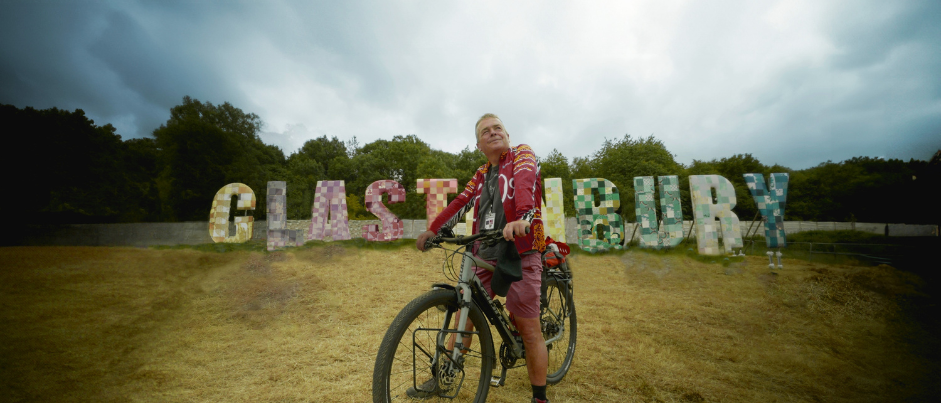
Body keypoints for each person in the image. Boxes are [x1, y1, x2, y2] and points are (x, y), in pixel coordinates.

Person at [414, 113, 550, 403]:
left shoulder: (521, 154)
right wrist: (433, 229)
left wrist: (523, 216)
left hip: (521, 248)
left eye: (497, 128)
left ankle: (539, 396)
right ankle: (443, 378)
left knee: (528, 328)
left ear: (507, 135)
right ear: (479, 145)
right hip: (485, 250)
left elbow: (525, 182)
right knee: (464, 317)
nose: (492, 133)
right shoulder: (480, 174)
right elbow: (461, 202)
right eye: (485, 132)